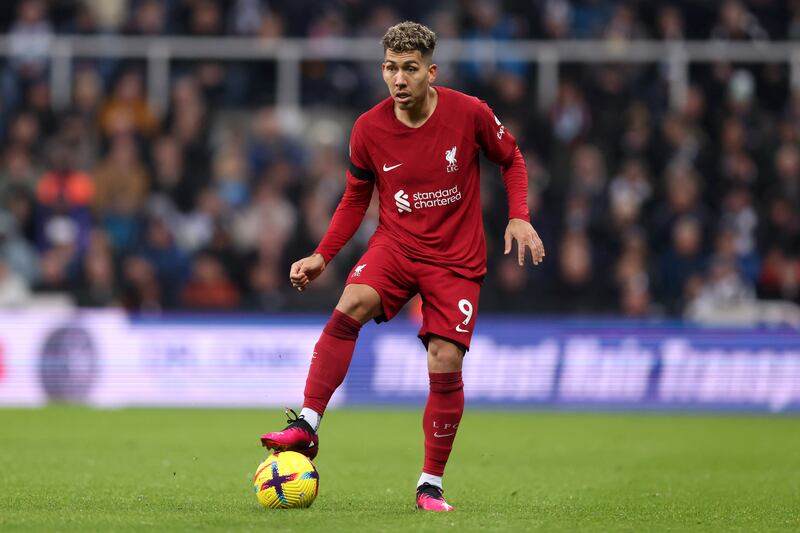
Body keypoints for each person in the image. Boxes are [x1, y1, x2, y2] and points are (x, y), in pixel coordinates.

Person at [259, 21, 545, 512]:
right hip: (395, 245)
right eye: (390, 68)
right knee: (351, 303)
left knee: (445, 360)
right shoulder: (368, 129)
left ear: (431, 72)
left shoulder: (468, 113)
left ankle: (429, 484)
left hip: (455, 259)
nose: (398, 79)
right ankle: (306, 425)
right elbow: (355, 197)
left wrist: (519, 216)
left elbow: (512, 157)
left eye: (409, 69)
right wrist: (321, 255)